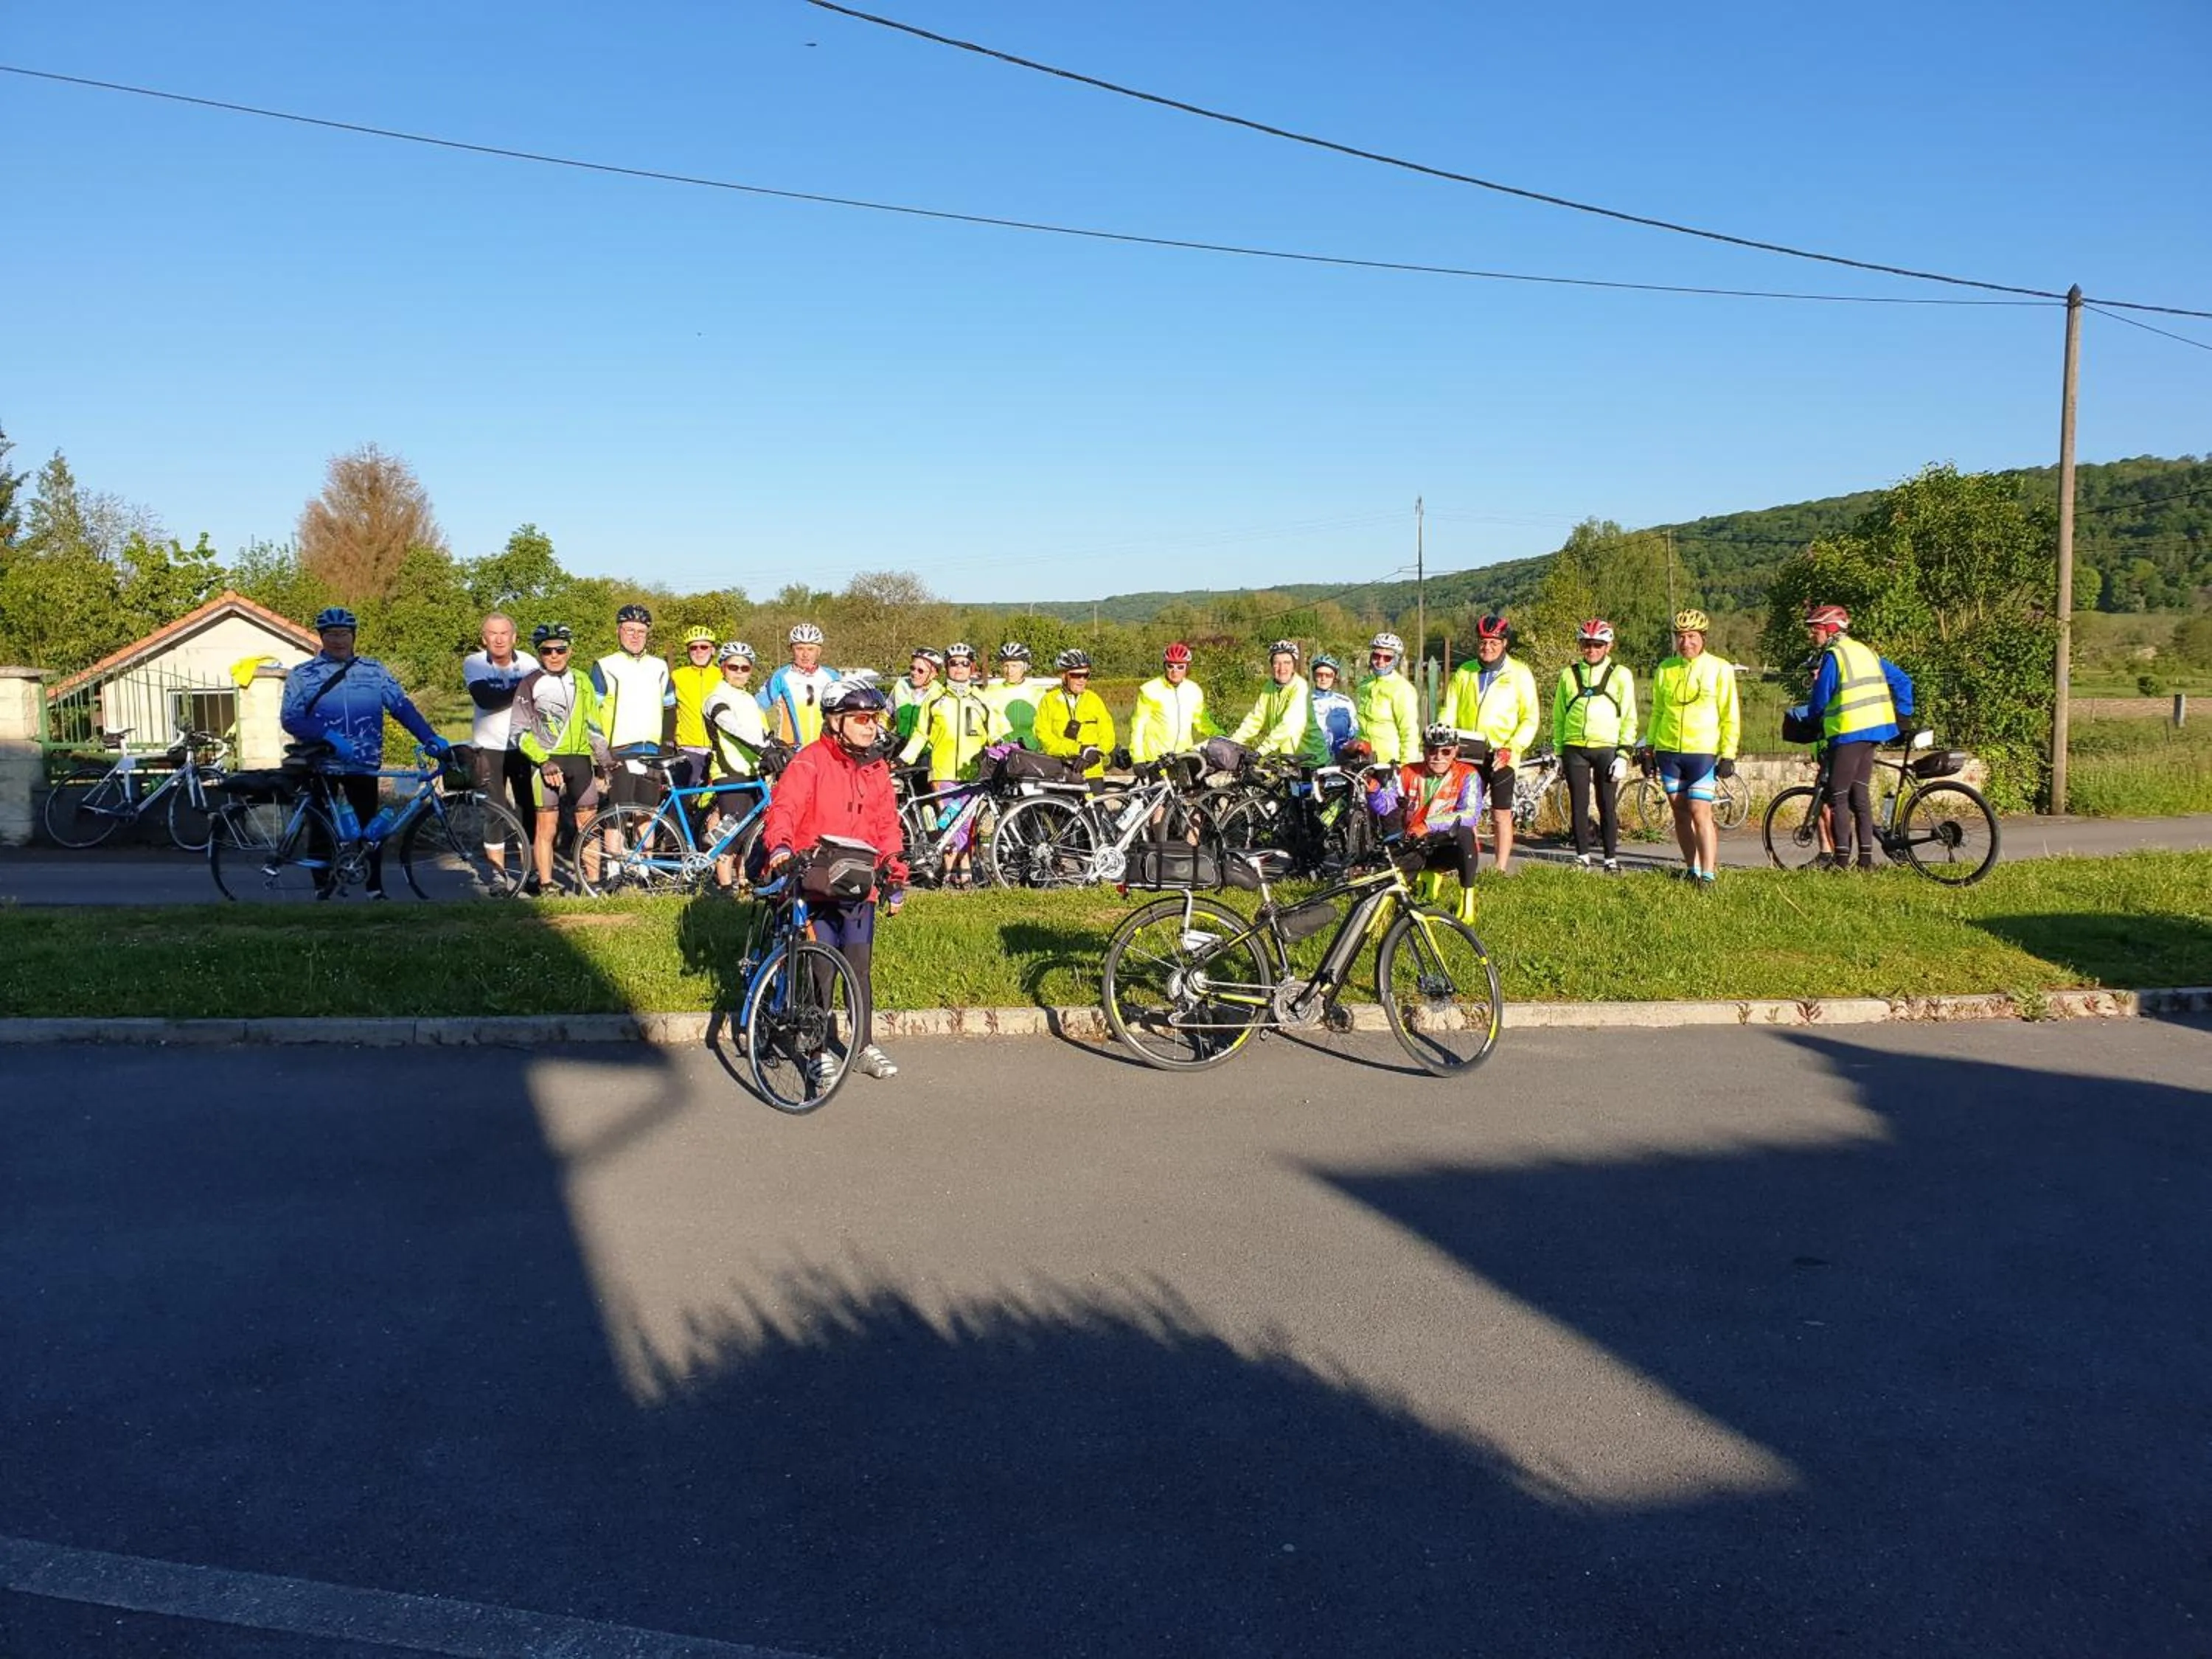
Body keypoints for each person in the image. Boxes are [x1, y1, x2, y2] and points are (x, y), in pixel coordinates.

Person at [759, 678, 908, 1083]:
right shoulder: (810, 761)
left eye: (875, 719)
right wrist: (781, 848)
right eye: (861, 719)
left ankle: (862, 1046)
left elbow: (885, 824)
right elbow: (784, 809)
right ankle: (818, 1050)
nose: (871, 727)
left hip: (861, 882)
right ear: (836, 721)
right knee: (821, 968)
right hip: (818, 878)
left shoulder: (876, 767)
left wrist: (896, 869)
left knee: (859, 967)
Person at [280, 605, 448, 899]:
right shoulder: (303, 675)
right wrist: (328, 736)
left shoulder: (373, 671)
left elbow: (401, 707)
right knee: (322, 829)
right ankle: (323, 889)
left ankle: (374, 888)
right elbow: (291, 718)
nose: (338, 640)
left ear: (353, 636)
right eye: (331, 634)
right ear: (321, 637)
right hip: (323, 764)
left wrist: (430, 737)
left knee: (372, 829)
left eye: (343, 633)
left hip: (364, 764)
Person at [1803, 604, 1914, 870]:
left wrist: (1811, 720)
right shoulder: (1867, 652)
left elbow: (1820, 700)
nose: (1811, 635)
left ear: (1829, 630)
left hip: (1849, 731)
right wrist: (1904, 716)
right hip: (1874, 731)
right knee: (1860, 797)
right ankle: (1866, 861)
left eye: (1815, 629)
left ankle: (1841, 861)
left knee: (1839, 796)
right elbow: (1903, 681)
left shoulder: (1834, 656)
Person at [1643, 608, 1741, 884]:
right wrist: (1649, 748)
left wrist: (1728, 753)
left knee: (1700, 811)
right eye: (1681, 637)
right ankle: (1692, 869)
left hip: (1702, 751)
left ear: (1703, 637)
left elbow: (1729, 713)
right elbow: (1659, 711)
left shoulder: (1720, 668)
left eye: (1692, 636)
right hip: (1669, 751)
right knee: (1680, 812)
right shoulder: (1666, 669)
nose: (1686, 643)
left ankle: (1708, 874)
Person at [512, 625, 608, 895]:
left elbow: (594, 725)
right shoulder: (529, 682)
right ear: (540, 653)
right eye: (547, 650)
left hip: (579, 760)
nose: (554, 655)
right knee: (547, 827)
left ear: (570, 650)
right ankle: (546, 885)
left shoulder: (582, 680)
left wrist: (605, 760)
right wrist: (543, 761)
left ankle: (593, 884)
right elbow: (518, 731)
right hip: (547, 761)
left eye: (560, 649)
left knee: (589, 825)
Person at [1441, 615, 1540, 876]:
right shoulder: (1466, 671)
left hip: (1503, 752)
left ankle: (1499, 868)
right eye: (1484, 642)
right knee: (1465, 812)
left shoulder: (1519, 673)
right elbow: (1449, 709)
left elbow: (1530, 717)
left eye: (1494, 642)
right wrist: (1445, 738)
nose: (1488, 647)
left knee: (1500, 813)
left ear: (1504, 643)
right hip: (1468, 749)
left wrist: (1513, 747)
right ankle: (1467, 863)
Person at [1365, 722, 1484, 926]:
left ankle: (1467, 902)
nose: (1438, 757)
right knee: (1385, 877)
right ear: (1424, 750)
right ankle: (1426, 878)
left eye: (1446, 751)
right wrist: (1374, 791)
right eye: (1432, 750)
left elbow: (1470, 815)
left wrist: (1428, 825)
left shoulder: (1468, 774)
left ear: (1455, 751)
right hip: (1415, 841)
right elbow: (1385, 806)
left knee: (1465, 834)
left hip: (1447, 842)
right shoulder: (1407, 771)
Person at [900, 644, 998, 885]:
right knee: (949, 821)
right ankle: (950, 870)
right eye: (954, 663)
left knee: (967, 823)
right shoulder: (935, 699)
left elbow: (997, 733)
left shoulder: (982, 699)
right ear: (946, 667)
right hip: (943, 771)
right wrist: (905, 757)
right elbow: (922, 734)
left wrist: (1002, 751)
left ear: (972, 668)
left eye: (965, 663)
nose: (959, 668)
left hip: (973, 773)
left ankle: (962, 867)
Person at [1551, 618, 1640, 872]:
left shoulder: (1621, 675)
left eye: (1598, 645)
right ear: (1581, 645)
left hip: (1607, 749)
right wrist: (1559, 751)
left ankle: (1610, 859)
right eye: (1587, 645)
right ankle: (1582, 857)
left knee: (1606, 805)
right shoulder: (1569, 674)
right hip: (1574, 748)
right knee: (1579, 805)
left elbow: (1629, 716)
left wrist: (1624, 753)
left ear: (1608, 647)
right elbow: (1559, 715)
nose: (1592, 650)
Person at [461, 614, 540, 866]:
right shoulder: (475, 663)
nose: (499, 639)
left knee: (527, 807)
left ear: (514, 637)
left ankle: (529, 870)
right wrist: (523, 689)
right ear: (484, 639)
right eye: (492, 634)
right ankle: (498, 873)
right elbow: (486, 700)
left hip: (522, 745)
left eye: (504, 633)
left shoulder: (528, 661)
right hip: (488, 747)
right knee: (494, 811)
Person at [590, 603, 675, 820]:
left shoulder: (660, 667)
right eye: (630, 630)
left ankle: (644, 855)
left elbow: (670, 708)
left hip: (652, 753)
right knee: (616, 818)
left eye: (641, 631)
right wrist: (601, 754)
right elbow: (591, 714)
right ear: (619, 631)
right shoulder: (605, 665)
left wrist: (666, 743)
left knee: (647, 816)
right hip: (620, 751)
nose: (635, 637)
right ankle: (617, 855)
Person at [702, 641, 771, 891]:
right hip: (729, 771)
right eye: (734, 666)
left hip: (752, 771)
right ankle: (723, 887)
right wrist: (763, 749)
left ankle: (743, 882)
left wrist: (778, 747)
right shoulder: (715, 698)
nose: (740, 672)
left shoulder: (749, 700)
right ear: (723, 667)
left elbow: (762, 732)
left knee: (749, 831)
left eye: (745, 668)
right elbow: (731, 726)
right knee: (731, 832)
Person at [1128, 642, 1215, 764]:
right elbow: (1138, 726)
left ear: (1187, 668)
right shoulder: (1149, 690)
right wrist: (1137, 758)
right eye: (1170, 666)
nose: (1175, 671)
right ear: (1165, 667)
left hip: (1184, 756)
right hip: (1157, 759)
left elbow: (1202, 722)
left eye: (1180, 667)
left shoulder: (1194, 690)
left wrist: (1222, 737)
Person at [1034, 649, 1116, 779]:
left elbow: (1108, 735)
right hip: (1060, 772)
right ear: (1064, 676)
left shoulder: (1094, 700)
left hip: (1092, 772)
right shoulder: (1049, 701)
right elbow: (1044, 737)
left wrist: (1095, 752)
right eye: (1077, 675)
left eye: (1086, 675)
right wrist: (1078, 749)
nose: (1082, 680)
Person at [759, 622, 841, 748]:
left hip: (826, 748)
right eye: (800, 648)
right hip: (792, 750)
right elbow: (757, 707)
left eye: (810, 649)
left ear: (819, 651)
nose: (805, 654)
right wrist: (764, 737)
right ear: (791, 649)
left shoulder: (833, 676)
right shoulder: (781, 677)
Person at [1231, 641, 1311, 756]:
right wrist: (1233, 741)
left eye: (1287, 663)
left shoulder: (1300, 687)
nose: (1282, 668)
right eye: (1277, 663)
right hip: (1283, 756)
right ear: (1271, 666)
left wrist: (1261, 751)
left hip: (1305, 756)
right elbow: (1256, 718)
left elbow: (1289, 724)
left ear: (1294, 665)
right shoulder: (1269, 686)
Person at [1355, 631, 1422, 767]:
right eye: (1376, 656)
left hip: (1391, 764)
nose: (1380, 662)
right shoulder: (1364, 685)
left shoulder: (1403, 689)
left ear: (1396, 660)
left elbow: (1409, 732)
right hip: (1363, 760)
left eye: (1387, 658)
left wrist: (1406, 767)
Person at [669, 625, 724, 790]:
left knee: (715, 800)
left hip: (718, 748)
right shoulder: (677, 676)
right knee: (683, 799)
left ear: (713, 650)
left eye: (704, 647)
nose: (699, 651)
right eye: (693, 647)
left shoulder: (723, 675)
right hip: (688, 748)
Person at [981, 642, 1043, 750]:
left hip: (1030, 752)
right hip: (999, 752)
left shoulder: (1037, 693)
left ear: (1025, 667)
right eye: (1006, 666)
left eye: (1015, 666)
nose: (1010, 671)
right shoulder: (990, 692)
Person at [1302, 654, 1361, 765]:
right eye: (1319, 675)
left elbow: (1354, 733)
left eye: (1328, 675)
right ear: (1314, 676)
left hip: (1340, 761)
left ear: (1335, 677)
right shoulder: (1304, 701)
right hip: (1311, 760)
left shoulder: (1345, 702)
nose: (1323, 679)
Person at [891, 648, 944, 745]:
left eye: (920, 671)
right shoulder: (901, 686)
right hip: (899, 746)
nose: (914, 673)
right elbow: (886, 716)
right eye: (912, 668)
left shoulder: (940, 693)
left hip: (926, 751)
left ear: (934, 674)